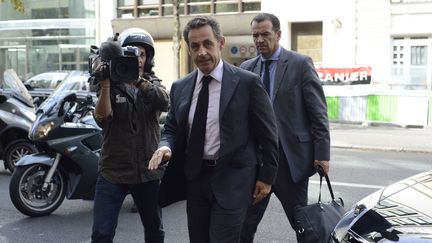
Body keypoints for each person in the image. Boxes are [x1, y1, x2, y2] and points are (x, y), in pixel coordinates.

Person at [148, 16, 279, 243]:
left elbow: (269, 135)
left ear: (220, 43)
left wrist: (267, 179)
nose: (202, 52)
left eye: (207, 44)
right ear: (189, 49)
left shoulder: (247, 83)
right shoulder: (180, 87)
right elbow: (171, 128)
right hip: (196, 180)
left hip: (234, 180)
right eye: (195, 46)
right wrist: (165, 147)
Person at [239, 13, 331, 242]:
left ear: (278, 34)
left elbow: (318, 113)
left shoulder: (300, 64)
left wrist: (322, 154)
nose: (259, 40)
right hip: (257, 162)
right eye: (255, 35)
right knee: (244, 225)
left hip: (291, 162)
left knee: (303, 224)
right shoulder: (246, 68)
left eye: (265, 34)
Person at [91, 28, 169, 243]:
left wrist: (138, 81)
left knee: (155, 230)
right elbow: (103, 119)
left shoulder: (152, 83)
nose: (138, 59)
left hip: (148, 172)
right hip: (113, 171)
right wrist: (106, 84)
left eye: (142, 54)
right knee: (102, 233)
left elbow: (164, 102)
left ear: (149, 58)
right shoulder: (109, 85)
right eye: (132, 53)